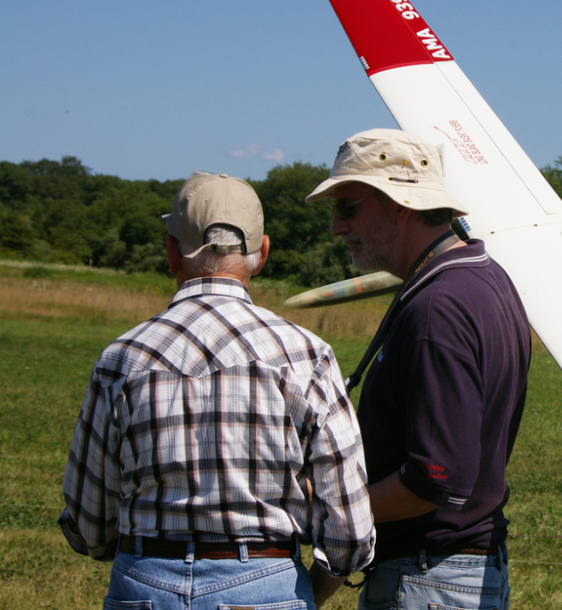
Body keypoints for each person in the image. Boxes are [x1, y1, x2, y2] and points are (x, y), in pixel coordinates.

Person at [60, 172, 375, 610]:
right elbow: (350, 533)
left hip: (144, 581)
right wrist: (304, 591)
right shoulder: (307, 355)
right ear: (261, 253)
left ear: (172, 251)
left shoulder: (123, 358)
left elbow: (89, 523)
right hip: (266, 581)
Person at [305, 129, 531, 610]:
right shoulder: (479, 277)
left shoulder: (438, 306)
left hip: (428, 581)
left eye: (347, 207)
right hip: (451, 574)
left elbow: (436, 478)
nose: (336, 228)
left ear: (398, 202)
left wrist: (326, 508)